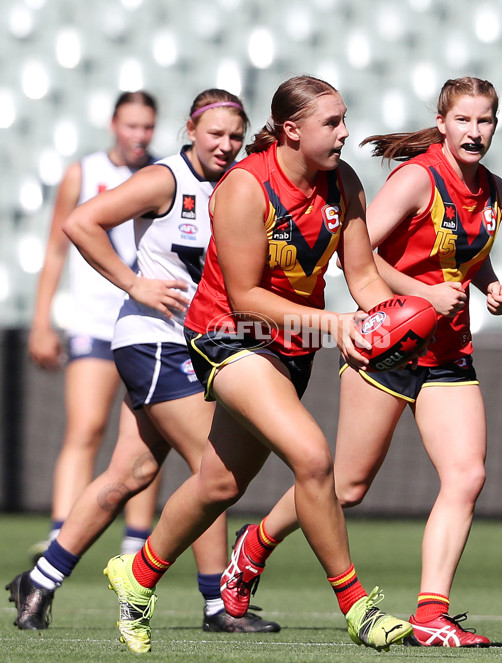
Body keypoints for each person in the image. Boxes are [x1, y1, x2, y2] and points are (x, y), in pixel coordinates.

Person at [96, 75, 415, 654]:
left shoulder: (343, 183)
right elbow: (245, 298)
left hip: (290, 346)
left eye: (344, 120)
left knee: (219, 483)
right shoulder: (245, 186)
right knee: (314, 459)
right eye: (332, 123)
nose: (345, 133)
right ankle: (358, 608)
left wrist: (394, 318)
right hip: (228, 334)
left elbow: (364, 277)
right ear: (292, 131)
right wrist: (337, 325)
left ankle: (137, 575)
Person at [217, 76, 502, 648]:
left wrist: (491, 284)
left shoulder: (497, 189)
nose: (476, 132)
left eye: (486, 121)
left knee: (467, 475)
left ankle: (431, 612)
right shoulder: (416, 179)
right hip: (391, 345)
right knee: (344, 488)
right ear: (444, 125)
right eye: (465, 121)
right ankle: (253, 547)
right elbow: (363, 261)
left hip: (450, 350)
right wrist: (422, 298)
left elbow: (466, 256)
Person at [6, 89, 279, 638]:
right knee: (215, 466)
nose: (225, 145)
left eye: (234, 135)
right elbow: (81, 223)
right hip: (154, 342)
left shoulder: (241, 181)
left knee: (131, 473)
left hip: (202, 346)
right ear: (191, 130)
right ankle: (215, 604)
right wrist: (134, 283)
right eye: (215, 134)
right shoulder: (166, 179)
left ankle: (39, 580)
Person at [27, 90, 162, 561]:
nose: (139, 136)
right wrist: (42, 321)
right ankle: (61, 531)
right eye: (131, 125)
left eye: (147, 126)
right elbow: (55, 250)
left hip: (148, 321)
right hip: (93, 317)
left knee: (149, 432)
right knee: (85, 427)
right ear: (113, 124)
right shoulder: (83, 173)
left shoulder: (162, 174)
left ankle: (136, 541)